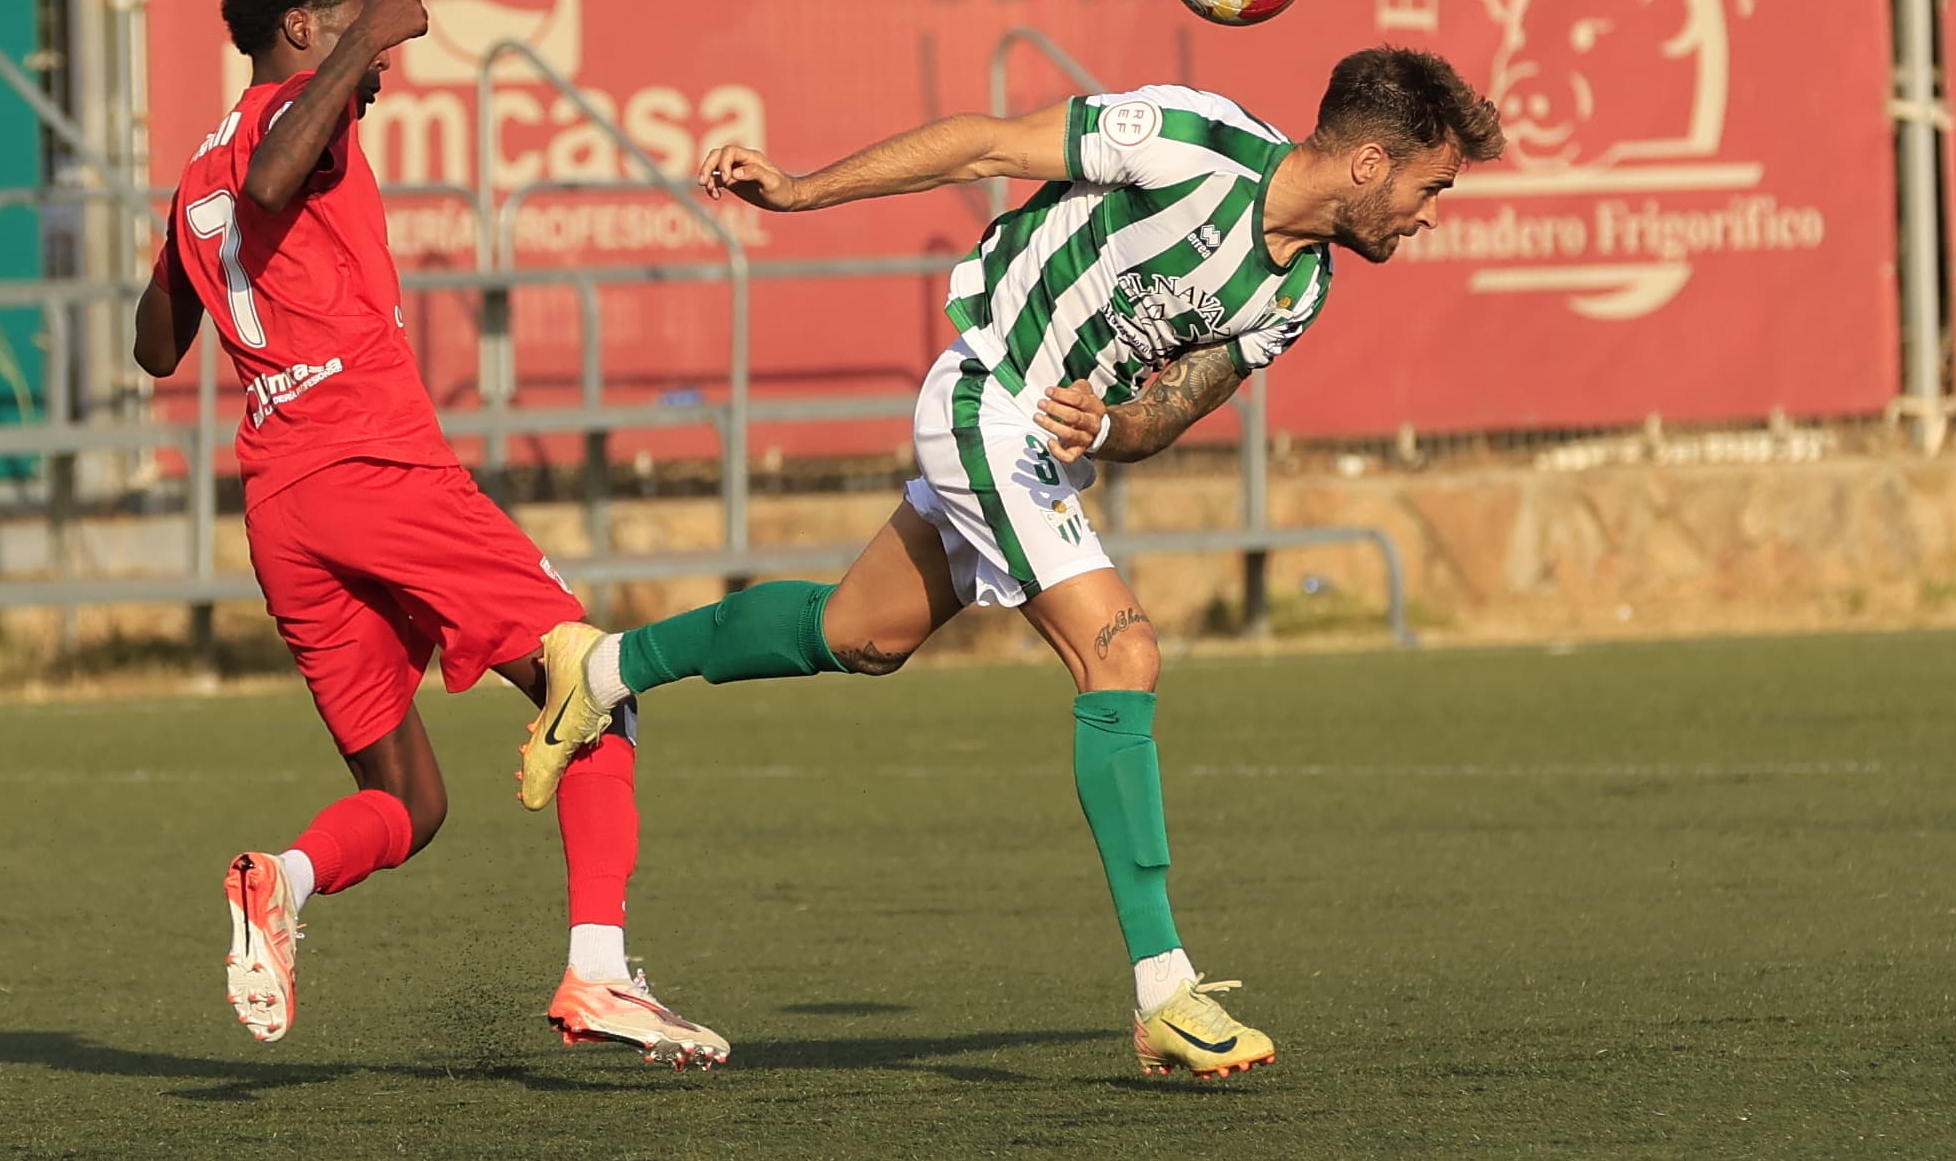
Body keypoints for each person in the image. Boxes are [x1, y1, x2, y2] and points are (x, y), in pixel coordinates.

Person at [516, 52, 1503, 1080]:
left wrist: (1113, 423)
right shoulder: (1191, 141)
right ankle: (1166, 989)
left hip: (1036, 450)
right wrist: (803, 192)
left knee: (860, 635)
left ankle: (603, 671)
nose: (1432, 213)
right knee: (1123, 654)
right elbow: (984, 142)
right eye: (1432, 187)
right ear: (1370, 163)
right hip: (985, 397)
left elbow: (1168, 413)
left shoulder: (1300, 287)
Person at [137, 0, 724, 1067]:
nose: (387, 74)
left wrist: (188, 252)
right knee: (596, 682)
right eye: (368, 39)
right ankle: (600, 977)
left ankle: (282, 881)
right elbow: (271, 181)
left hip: (283, 506)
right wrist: (363, 47)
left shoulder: (201, 167)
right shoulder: (283, 135)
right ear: (302, 27)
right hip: (372, 466)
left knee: (411, 796)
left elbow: (156, 345)